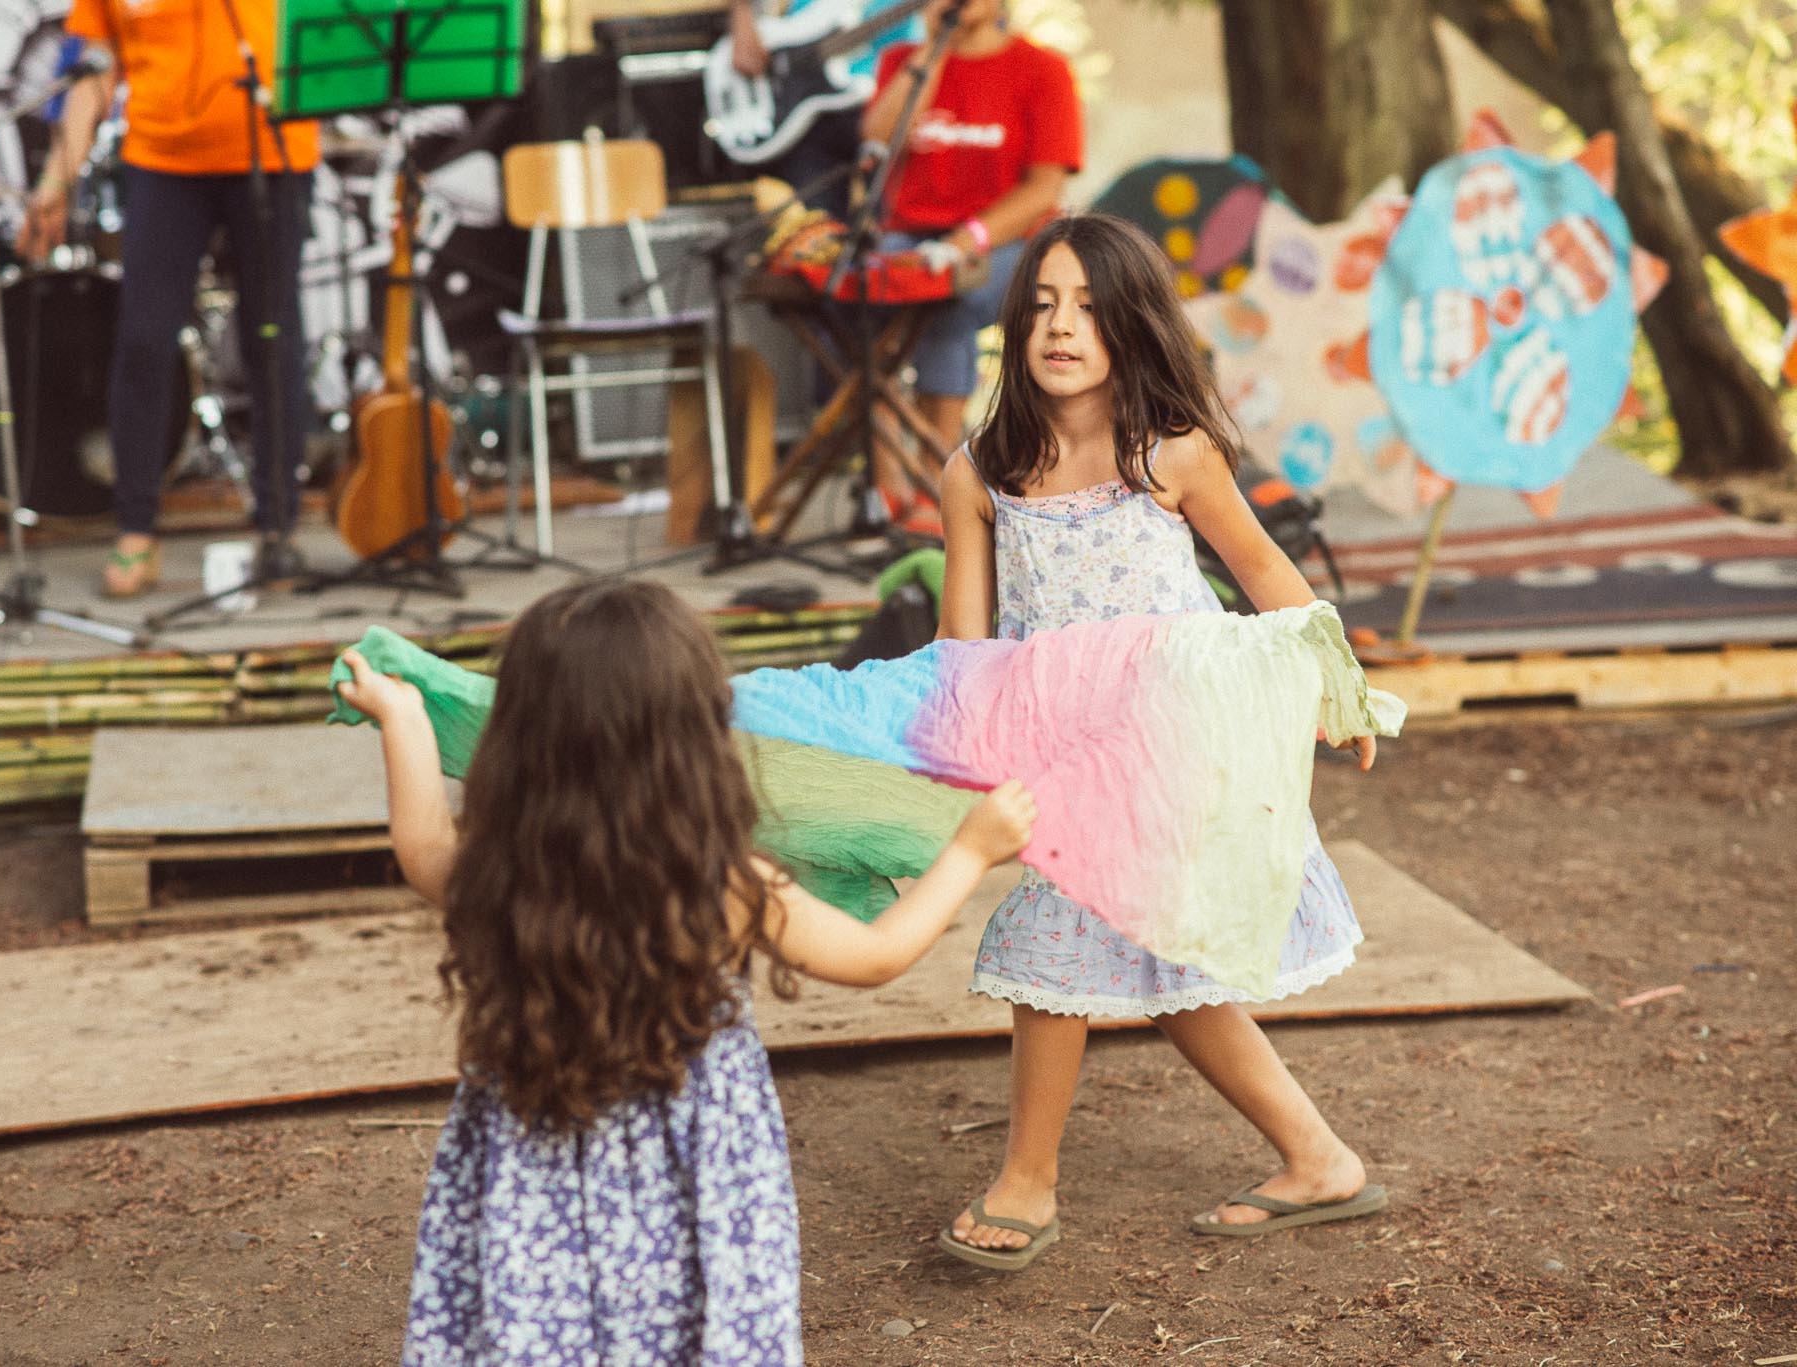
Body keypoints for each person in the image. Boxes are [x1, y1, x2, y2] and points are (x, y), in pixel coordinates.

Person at [336, 579, 1035, 1365]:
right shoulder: (719, 886)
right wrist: (970, 850)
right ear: (693, 741)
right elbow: (874, 956)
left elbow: (424, 843)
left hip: (534, 1160)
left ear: (520, 740)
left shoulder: (506, 874)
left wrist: (402, 718)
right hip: (691, 1172)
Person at [933, 214, 1388, 1272]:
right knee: (1164, 966)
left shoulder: (1168, 452)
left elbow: (1266, 575)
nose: (1059, 326)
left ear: (1130, 323)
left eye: (1087, 307)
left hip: (1176, 742)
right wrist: (959, 751)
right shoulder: (980, 472)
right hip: (1060, 749)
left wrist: (1336, 685)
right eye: (1041, 304)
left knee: (1059, 943)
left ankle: (1025, 1180)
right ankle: (1317, 1158)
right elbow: (963, 642)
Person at [17, 0, 317, 598]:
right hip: (161, 161)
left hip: (271, 150)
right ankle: (135, 530)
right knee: (144, 341)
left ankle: (278, 526)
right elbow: (95, 73)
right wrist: (58, 178)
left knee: (272, 337)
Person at [858, 0, 1080, 534]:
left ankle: (940, 485)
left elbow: (1045, 188)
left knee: (949, 302)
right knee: (865, 307)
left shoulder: (1043, 70)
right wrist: (934, 52)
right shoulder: (902, 62)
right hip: (909, 235)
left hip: (1008, 241)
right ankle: (886, 490)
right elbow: (876, 145)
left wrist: (965, 241)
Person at [725, 0, 921, 215]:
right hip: (805, 120)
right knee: (818, 228)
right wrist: (742, 17)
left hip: (886, 108)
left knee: (890, 224)